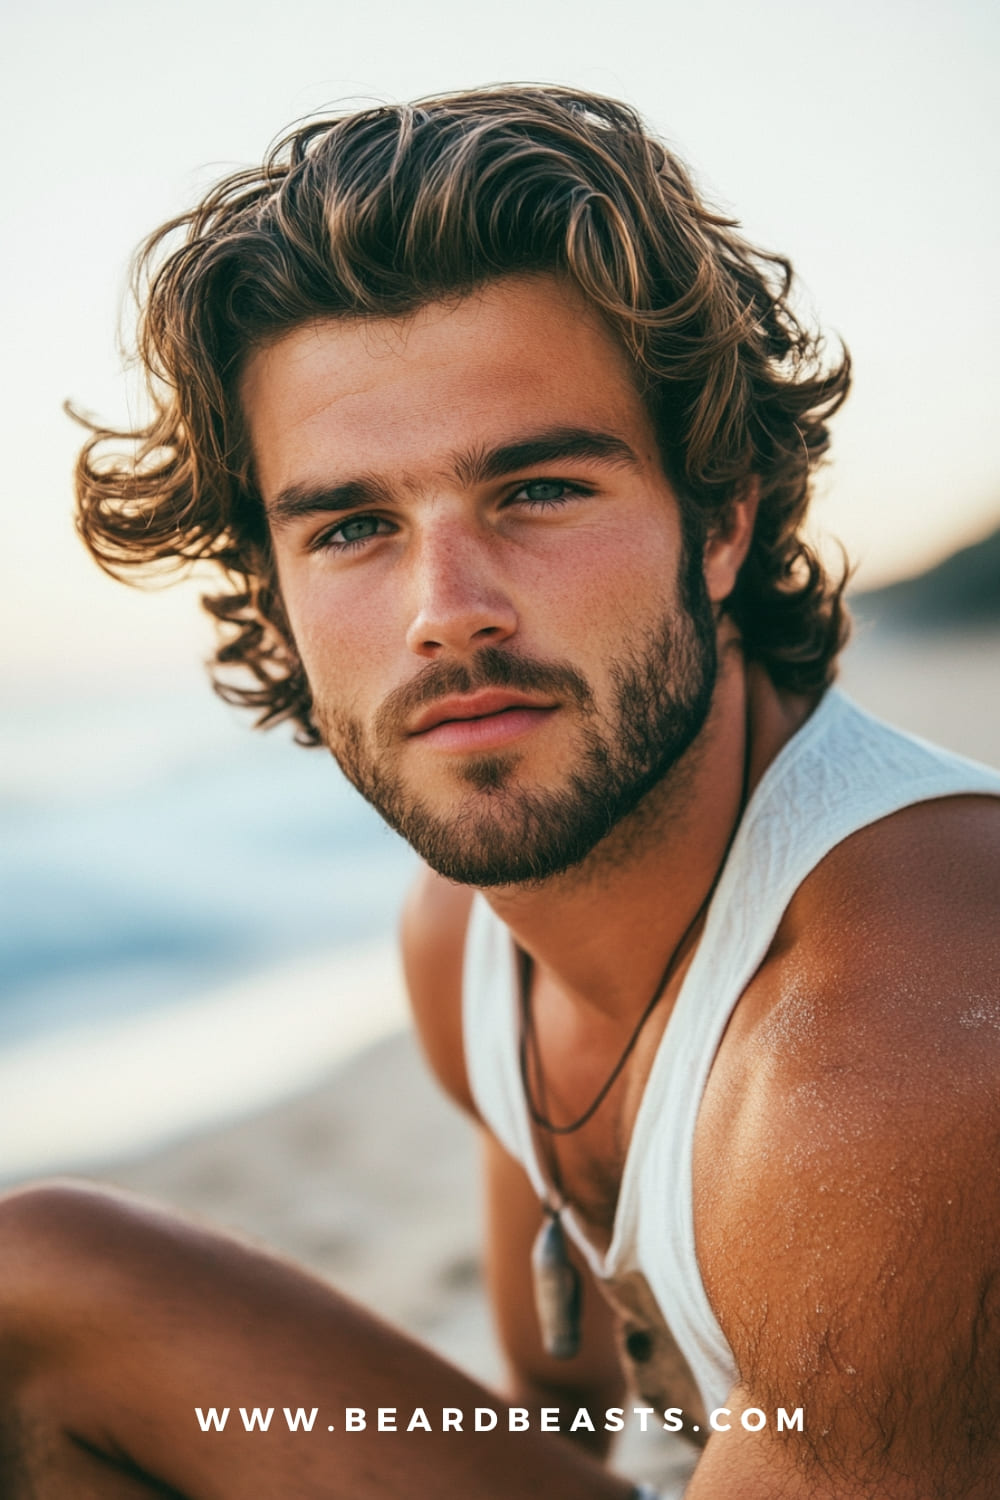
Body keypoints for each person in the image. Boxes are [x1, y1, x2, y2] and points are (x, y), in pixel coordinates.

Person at [1, 85, 998, 1500]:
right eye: (351, 526)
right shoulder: (469, 941)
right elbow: (547, 1425)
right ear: (275, 605)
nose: (445, 613)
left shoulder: (893, 1062)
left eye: (535, 491)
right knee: (32, 1284)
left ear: (720, 522)